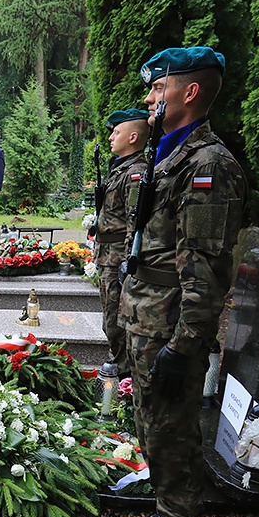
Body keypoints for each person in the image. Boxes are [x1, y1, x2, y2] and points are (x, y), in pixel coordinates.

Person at [111, 47, 246, 517]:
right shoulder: (168, 155)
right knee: (153, 424)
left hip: (171, 324)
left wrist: (185, 344)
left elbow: (206, 269)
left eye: (158, 89)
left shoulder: (208, 165)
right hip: (147, 313)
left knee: (171, 426)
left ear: (188, 93)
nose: (149, 99)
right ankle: (168, 514)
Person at [96, 108, 150, 378]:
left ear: (133, 137)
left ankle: (123, 375)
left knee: (116, 320)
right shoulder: (120, 169)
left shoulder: (136, 173)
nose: (111, 138)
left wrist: (129, 260)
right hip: (106, 254)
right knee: (110, 318)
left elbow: (134, 222)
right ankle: (118, 367)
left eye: (116, 132)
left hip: (117, 257)